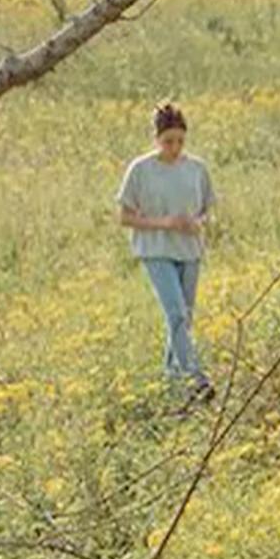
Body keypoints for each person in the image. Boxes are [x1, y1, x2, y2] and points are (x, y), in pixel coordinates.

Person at [114, 102, 215, 397]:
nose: (175, 147)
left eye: (180, 141)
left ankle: (172, 382)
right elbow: (124, 216)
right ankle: (196, 379)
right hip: (156, 250)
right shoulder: (140, 169)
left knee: (185, 318)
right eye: (168, 141)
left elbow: (209, 210)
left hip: (191, 250)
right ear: (157, 139)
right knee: (176, 314)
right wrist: (166, 222)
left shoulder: (197, 168)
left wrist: (199, 223)